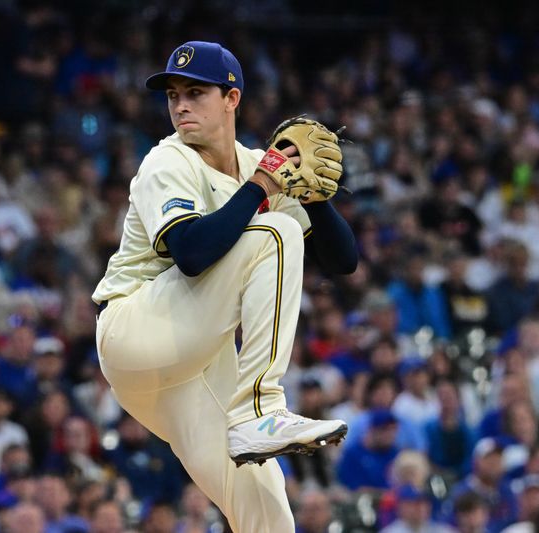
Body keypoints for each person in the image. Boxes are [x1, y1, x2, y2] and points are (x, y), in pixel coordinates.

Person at [92, 41, 357, 531]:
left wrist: (317, 198)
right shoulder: (167, 161)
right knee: (274, 232)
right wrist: (261, 186)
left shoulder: (256, 162)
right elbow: (191, 255)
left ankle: (253, 421)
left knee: (265, 500)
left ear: (232, 99)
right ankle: (261, 409)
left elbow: (343, 262)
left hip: (193, 361)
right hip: (136, 329)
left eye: (196, 92)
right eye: (173, 94)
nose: (181, 105)